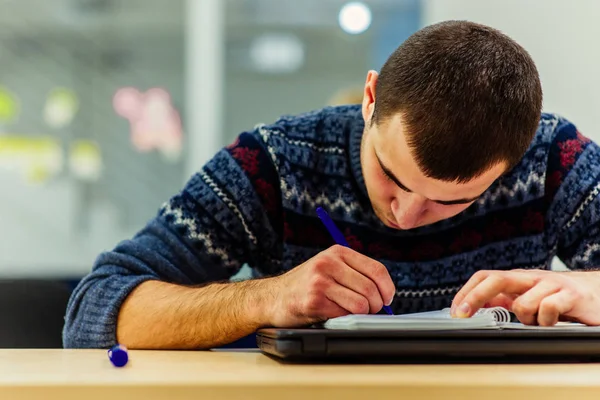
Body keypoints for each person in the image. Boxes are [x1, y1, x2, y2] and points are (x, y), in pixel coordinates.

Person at [63, 20, 600, 350]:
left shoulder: (555, 159)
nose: (406, 216)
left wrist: (589, 290)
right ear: (370, 99)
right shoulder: (274, 164)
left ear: (518, 158)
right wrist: (268, 297)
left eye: (451, 202)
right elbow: (94, 310)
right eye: (392, 176)